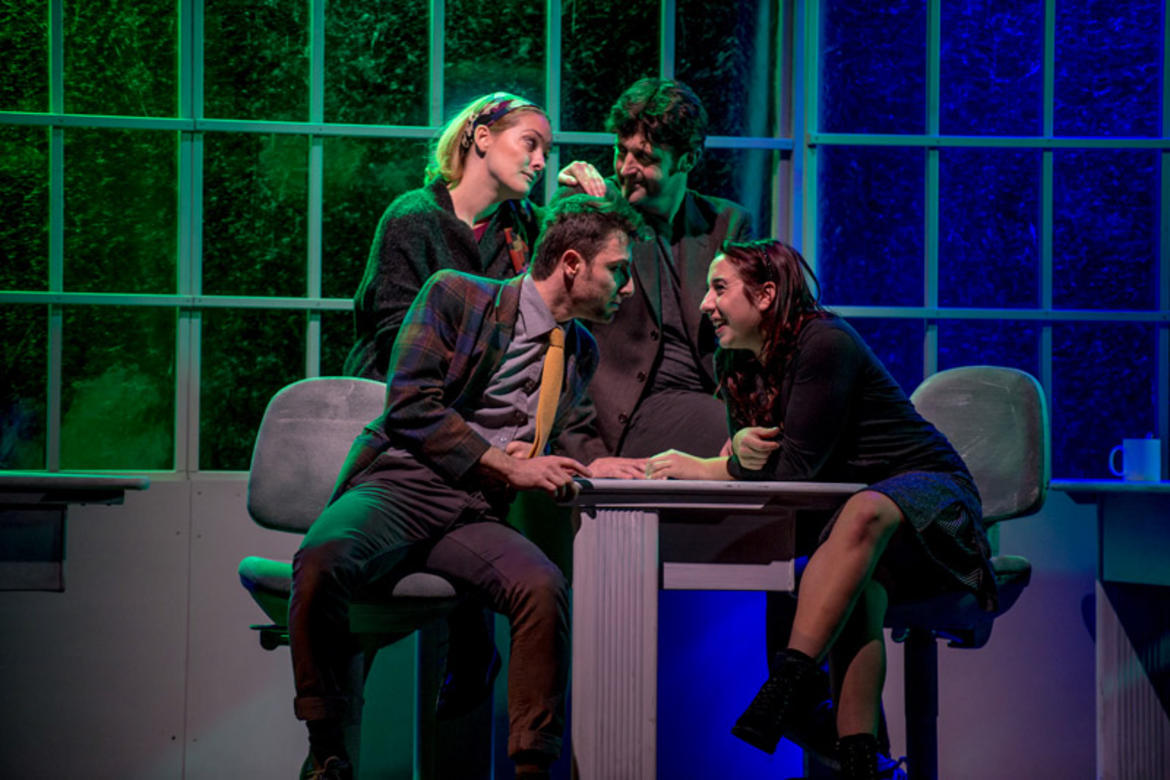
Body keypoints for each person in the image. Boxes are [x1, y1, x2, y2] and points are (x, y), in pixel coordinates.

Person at [290, 195, 645, 780]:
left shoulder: (579, 351)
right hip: (403, 483)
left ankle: (532, 767)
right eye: (618, 270)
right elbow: (409, 406)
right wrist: (505, 464)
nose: (627, 288)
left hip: (475, 509)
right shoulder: (456, 294)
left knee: (541, 588)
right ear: (573, 264)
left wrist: (589, 464)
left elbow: (542, 441)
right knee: (323, 556)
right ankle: (328, 752)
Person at [643, 240, 997, 779]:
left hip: (932, 506)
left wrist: (719, 465)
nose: (704, 305)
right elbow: (767, 462)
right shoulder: (736, 361)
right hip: (858, 533)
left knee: (863, 511)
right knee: (860, 585)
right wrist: (737, 455)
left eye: (719, 289)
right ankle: (861, 763)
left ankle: (782, 687)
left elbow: (793, 472)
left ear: (765, 295)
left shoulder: (825, 342)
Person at [556, 77, 753, 459]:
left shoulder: (726, 224)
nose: (626, 168)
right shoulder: (593, 206)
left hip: (711, 399)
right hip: (626, 415)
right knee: (741, 441)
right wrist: (586, 452)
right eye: (621, 151)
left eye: (644, 158)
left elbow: (755, 336)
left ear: (688, 159)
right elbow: (556, 334)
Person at [343, 91, 549, 381]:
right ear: (483, 137)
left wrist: (579, 187)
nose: (540, 162)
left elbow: (574, 239)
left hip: (479, 402)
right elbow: (398, 337)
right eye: (530, 143)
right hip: (395, 397)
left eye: (545, 153)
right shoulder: (413, 218)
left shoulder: (525, 226)